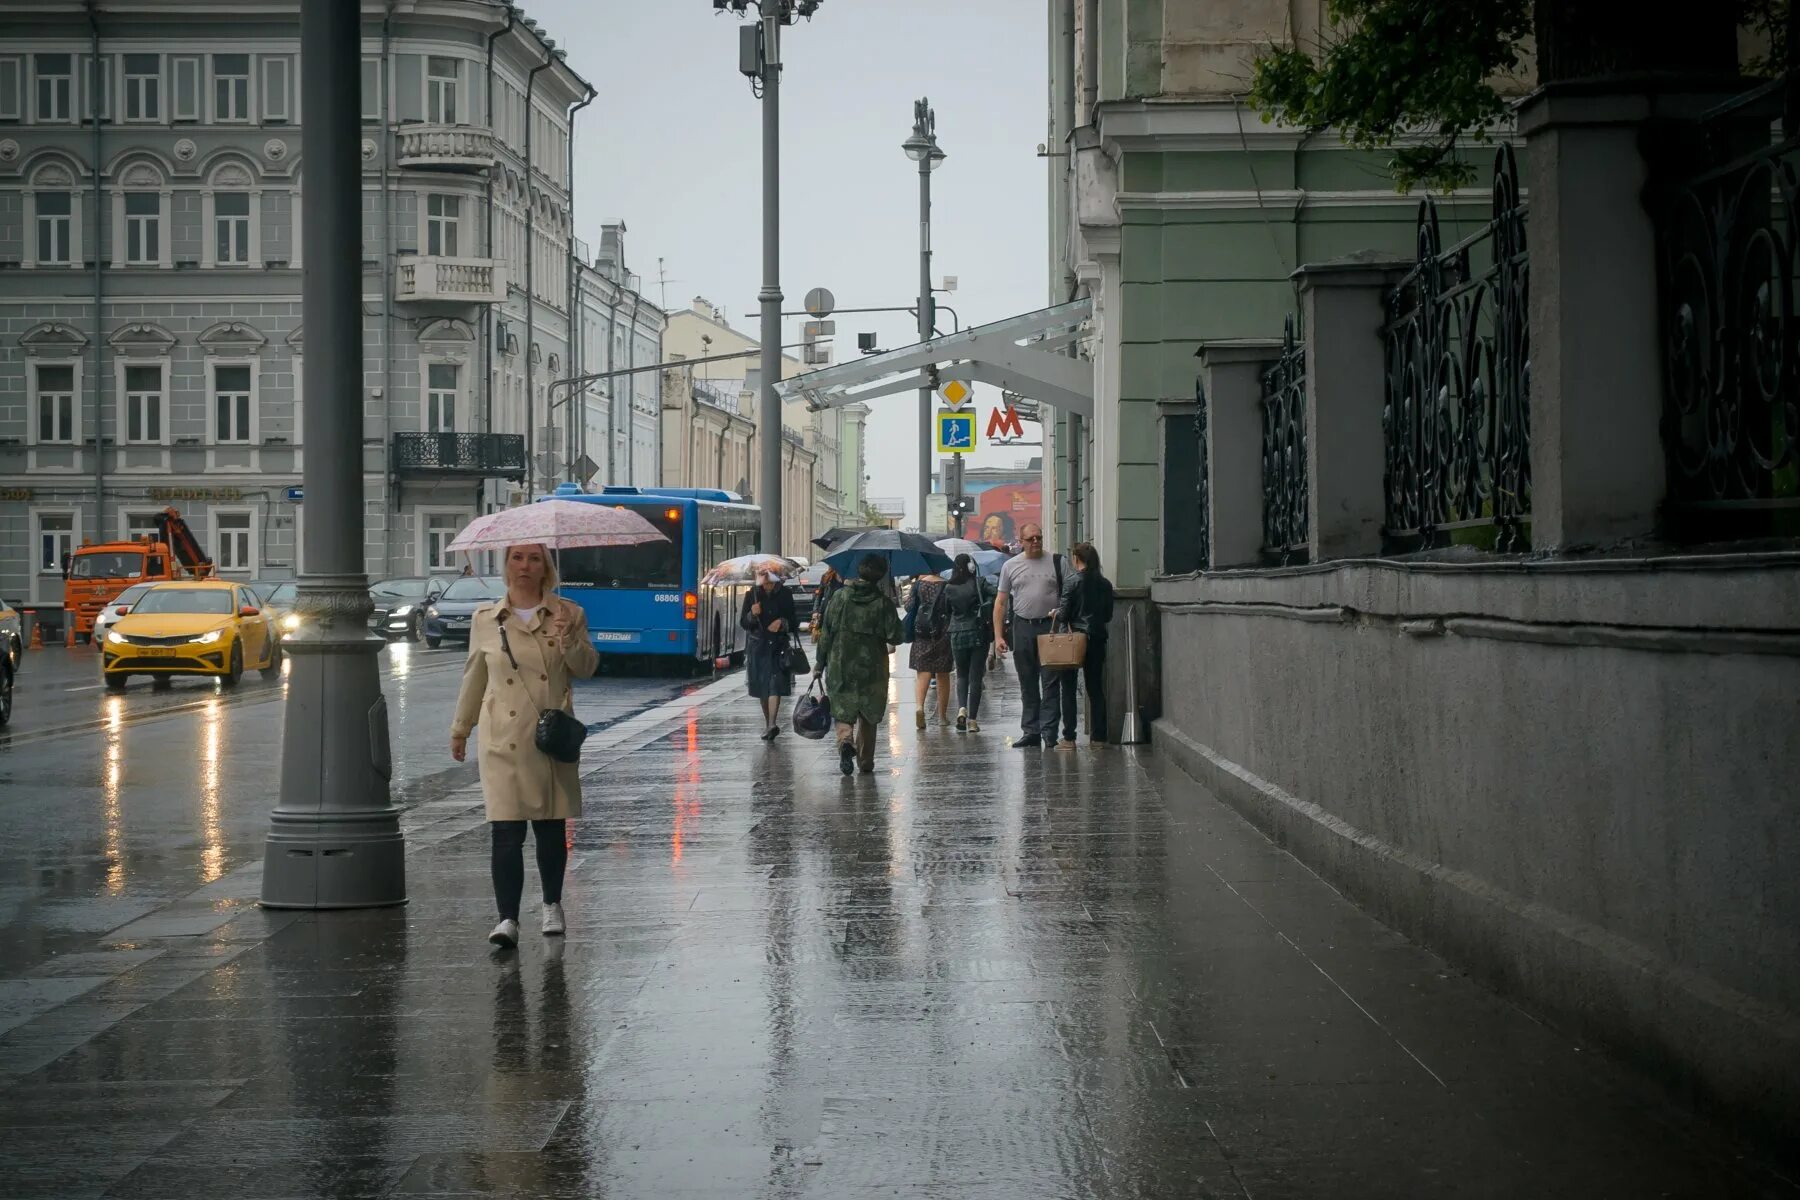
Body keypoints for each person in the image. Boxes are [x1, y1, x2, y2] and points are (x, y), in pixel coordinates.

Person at [450, 543, 599, 949]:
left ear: (545, 567)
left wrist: (570, 641)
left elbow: (587, 668)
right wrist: (461, 728)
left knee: (550, 829)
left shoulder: (569, 613)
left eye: (534, 559)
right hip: (502, 738)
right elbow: (474, 678)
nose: (525, 566)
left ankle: (552, 905)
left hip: (548, 736)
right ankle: (507, 919)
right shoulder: (485, 619)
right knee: (505, 831)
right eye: (517, 558)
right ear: (506, 566)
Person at [816, 554, 905, 776]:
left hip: (840, 662)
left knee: (843, 708)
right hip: (872, 667)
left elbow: (826, 632)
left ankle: (846, 741)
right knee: (869, 712)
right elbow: (896, 637)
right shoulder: (883, 603)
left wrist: (820, 662)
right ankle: (865, 761)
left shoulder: (839, 597)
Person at [993, 522, 1065, 749]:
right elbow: (1001, 602)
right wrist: (998, 636)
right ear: (1021, 541)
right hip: (1022, 626)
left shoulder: (1057, 562)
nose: (1036, 542)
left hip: (1050, 628)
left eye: (1039, 538)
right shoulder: (1011, 566)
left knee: (1051, 682)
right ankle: (1031, 731)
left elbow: (1070, 595)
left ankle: (1050, 732)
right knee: (1027, 682)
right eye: (1031, 539)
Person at [1056, 541, 1116, 748]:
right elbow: (1108, 615)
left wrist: (1056, 613)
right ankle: (1099, 738)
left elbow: (1063, 615)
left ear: (1076, 559)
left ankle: (1069, 737)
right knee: (1095, 687)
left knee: (1069, 688)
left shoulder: (1072, 581)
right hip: (1097, 638)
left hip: (1073, 640)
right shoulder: (1105, 584)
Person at [740, 566, 797, 741]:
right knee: (763, 687)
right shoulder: (752, 595)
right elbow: (743, 622)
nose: (767, 583)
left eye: (770, 578)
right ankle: (768, 723)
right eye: (763, 578)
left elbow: (794, 621)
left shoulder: (785, 594)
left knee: (775, 685)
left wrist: (782, 622)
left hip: (778, 647)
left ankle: (772, 723)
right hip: (759, 647)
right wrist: (752, 614)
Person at [943, 553, 993, 733]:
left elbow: (946, 611)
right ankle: (972, 720)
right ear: (972, 567)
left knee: (961, 675)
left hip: (956, 633)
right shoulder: (979, 583)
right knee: (975, 677)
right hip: (977, 632)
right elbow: (996, 594)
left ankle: (961, 708)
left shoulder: (948, 587)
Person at [905, 569, 953, 729]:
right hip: (943, 633)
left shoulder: (919, 585)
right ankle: (942, 717)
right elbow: (950, 609)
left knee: (923, 672)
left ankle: (919, 707)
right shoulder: (947, 585)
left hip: (922, 632)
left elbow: (909, 607)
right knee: (943, 674)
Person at [811, 565, 843, 639]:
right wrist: (815, 611)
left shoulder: (847, 578)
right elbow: (819, 595)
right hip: (826, 612)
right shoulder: (826, 576)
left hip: (841, 613)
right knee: (825, 638)